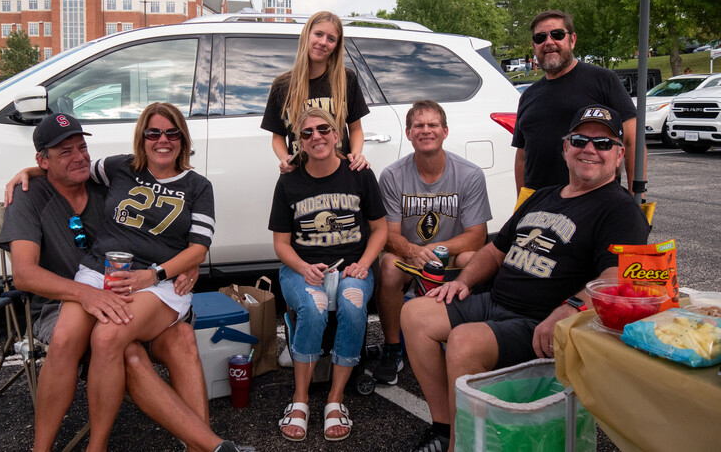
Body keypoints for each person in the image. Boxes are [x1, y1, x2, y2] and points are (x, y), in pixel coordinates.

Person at [402, 104, 651, 452]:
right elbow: (494, 250)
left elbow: (617, 275)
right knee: (415, 313)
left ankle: (462, 446)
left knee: (464, 341)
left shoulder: (619, 208)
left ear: (619, 154)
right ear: (566, 148)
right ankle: (445, 427)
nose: (590, 149)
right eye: (580, 140)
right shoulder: (544, 196)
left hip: (540, 322)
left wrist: (568, 309)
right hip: (496, 302)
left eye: (604, 143)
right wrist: (464, 282)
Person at [0, 109, 245, 452]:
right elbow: (24, 274)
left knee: (117, 337)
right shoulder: (116, 170)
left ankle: (105, 446)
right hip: (95, 276)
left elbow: (197, 248)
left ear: (183, 139)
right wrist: (28, 171)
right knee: (69, 338)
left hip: (152, 283)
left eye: (172, 133)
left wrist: (169, 269)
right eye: (153, 133)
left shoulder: (193, 186)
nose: (162, 140)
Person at [269, 107, 387, 442]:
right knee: (315, 306)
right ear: (299, 142)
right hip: (301, 268)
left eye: (323, 129)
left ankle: (336, 398)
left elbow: (379, 229)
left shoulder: (359, 173)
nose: (316, 137)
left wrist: (364, 263)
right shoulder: (290, 180)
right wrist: (303, 268)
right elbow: (280, 243)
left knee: (352, 304)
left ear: (337, 134)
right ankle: (301, 398)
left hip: (351, 267)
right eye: (307, 133)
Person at [373, 100, 492, 385]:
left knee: (470, 260)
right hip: (410, 257)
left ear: (445, 131)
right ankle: (392, 347)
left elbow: (478, 236)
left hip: (449, 255)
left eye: (433, 125)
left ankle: (465, 338)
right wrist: (414, 251)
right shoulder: (392, 175)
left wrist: (439, 251)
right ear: (408, 133)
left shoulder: (470, 174)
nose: (426, 131)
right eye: (419, 126)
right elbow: (389, 235)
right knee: (389, 266)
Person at [513, 10, 641, 206]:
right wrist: (522, 204)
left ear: (572, 40)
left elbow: (633, 141)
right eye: (540, 38)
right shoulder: (528, 96)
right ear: (534, 46)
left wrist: (635, 195)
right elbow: (522, 155)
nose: (548, 42)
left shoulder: (603, 80)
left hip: (594, 204)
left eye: (557, 34)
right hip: (540, 206)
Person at [261, 11, 370, 174]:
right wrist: (284, 158)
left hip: (340, 173)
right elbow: (277, 137)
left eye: (331, 39)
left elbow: (355, 129)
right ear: (307, 35)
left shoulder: (346, 79)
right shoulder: (283, 85)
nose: (323, 42)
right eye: (318, 34)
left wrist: (356, 154)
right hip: (301, 176)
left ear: (336, 46)